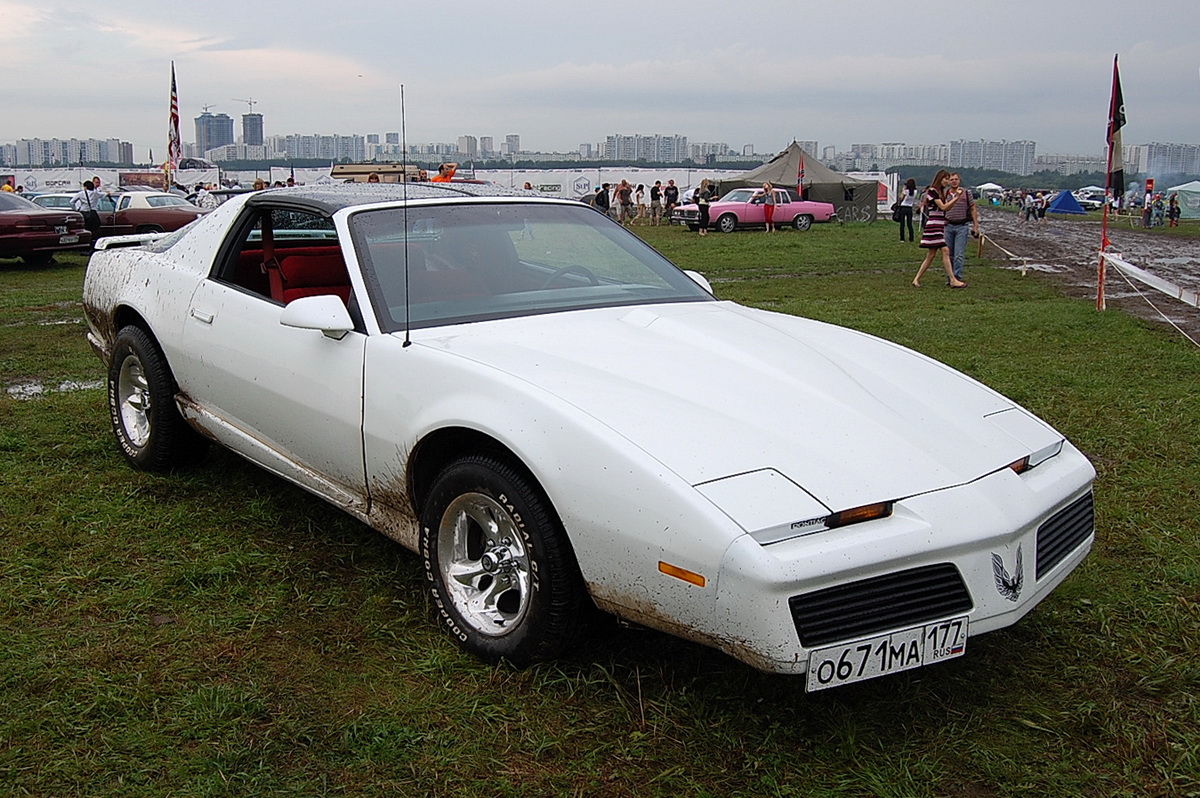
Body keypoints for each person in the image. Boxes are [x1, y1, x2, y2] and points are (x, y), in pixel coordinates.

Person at [912, 170, 966, 288]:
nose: (948, 182)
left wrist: (955, 199)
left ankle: (916, 279)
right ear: (940, 179)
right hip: (934, 225)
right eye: (946, 179)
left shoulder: (940, 192)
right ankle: (953, 280)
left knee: (931, 255)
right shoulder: (933, 191)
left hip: (939, 224)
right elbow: (943, 207)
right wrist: (957, 197)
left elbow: (945, 208)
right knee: (945, 251)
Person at [941, 173, 979, 282]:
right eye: (951, 179)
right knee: (949, 253)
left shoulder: (966, 193)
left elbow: (973, 209)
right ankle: (950, 277)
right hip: (948, 226)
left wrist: (975, 225)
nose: (954, 181)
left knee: (959, 254)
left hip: (962, 226)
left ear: (959, 181)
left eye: (956, 179)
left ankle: (957, 276)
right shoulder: (945, 194)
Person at [72, 180, 103, 244]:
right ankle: (93, 242)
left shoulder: (81, 194)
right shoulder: (96, 193)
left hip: (84, 213)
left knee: (85, 229)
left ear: (85, 187)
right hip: (93, 213)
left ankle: (85, 243)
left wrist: (76, 209)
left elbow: (72, 202)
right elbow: (104, 194)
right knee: (94, 230)